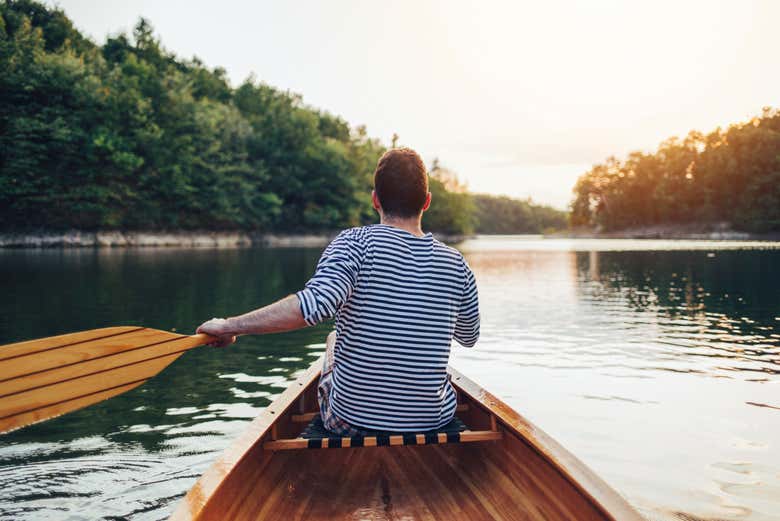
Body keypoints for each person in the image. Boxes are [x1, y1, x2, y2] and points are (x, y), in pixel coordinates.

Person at [196, 147, 480, 435]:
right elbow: (469, 337)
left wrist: (229, 326)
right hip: (432, 421)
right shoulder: (456, 263)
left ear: (375, 199)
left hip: (352, 422)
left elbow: (312, 307)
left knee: (333, 338)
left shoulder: (355, 244)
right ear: (427, 201)